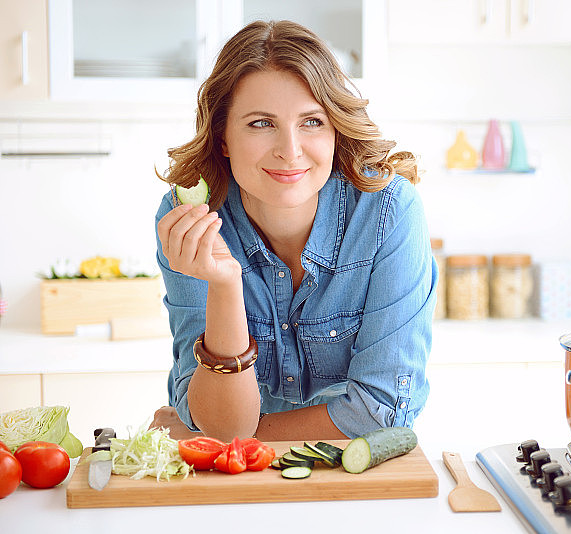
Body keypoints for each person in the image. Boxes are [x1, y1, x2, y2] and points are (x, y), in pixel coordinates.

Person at [151, 20, 437, 443]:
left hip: (349, 472)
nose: (290, 150)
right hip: (237, 477)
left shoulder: (387, 211)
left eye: (312, 121)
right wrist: (225, 285)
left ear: (335, 128)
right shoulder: (191, 220)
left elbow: (383, 411)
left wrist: (232, 438)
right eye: (260, 123)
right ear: (223, 136)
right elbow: (217, 422)